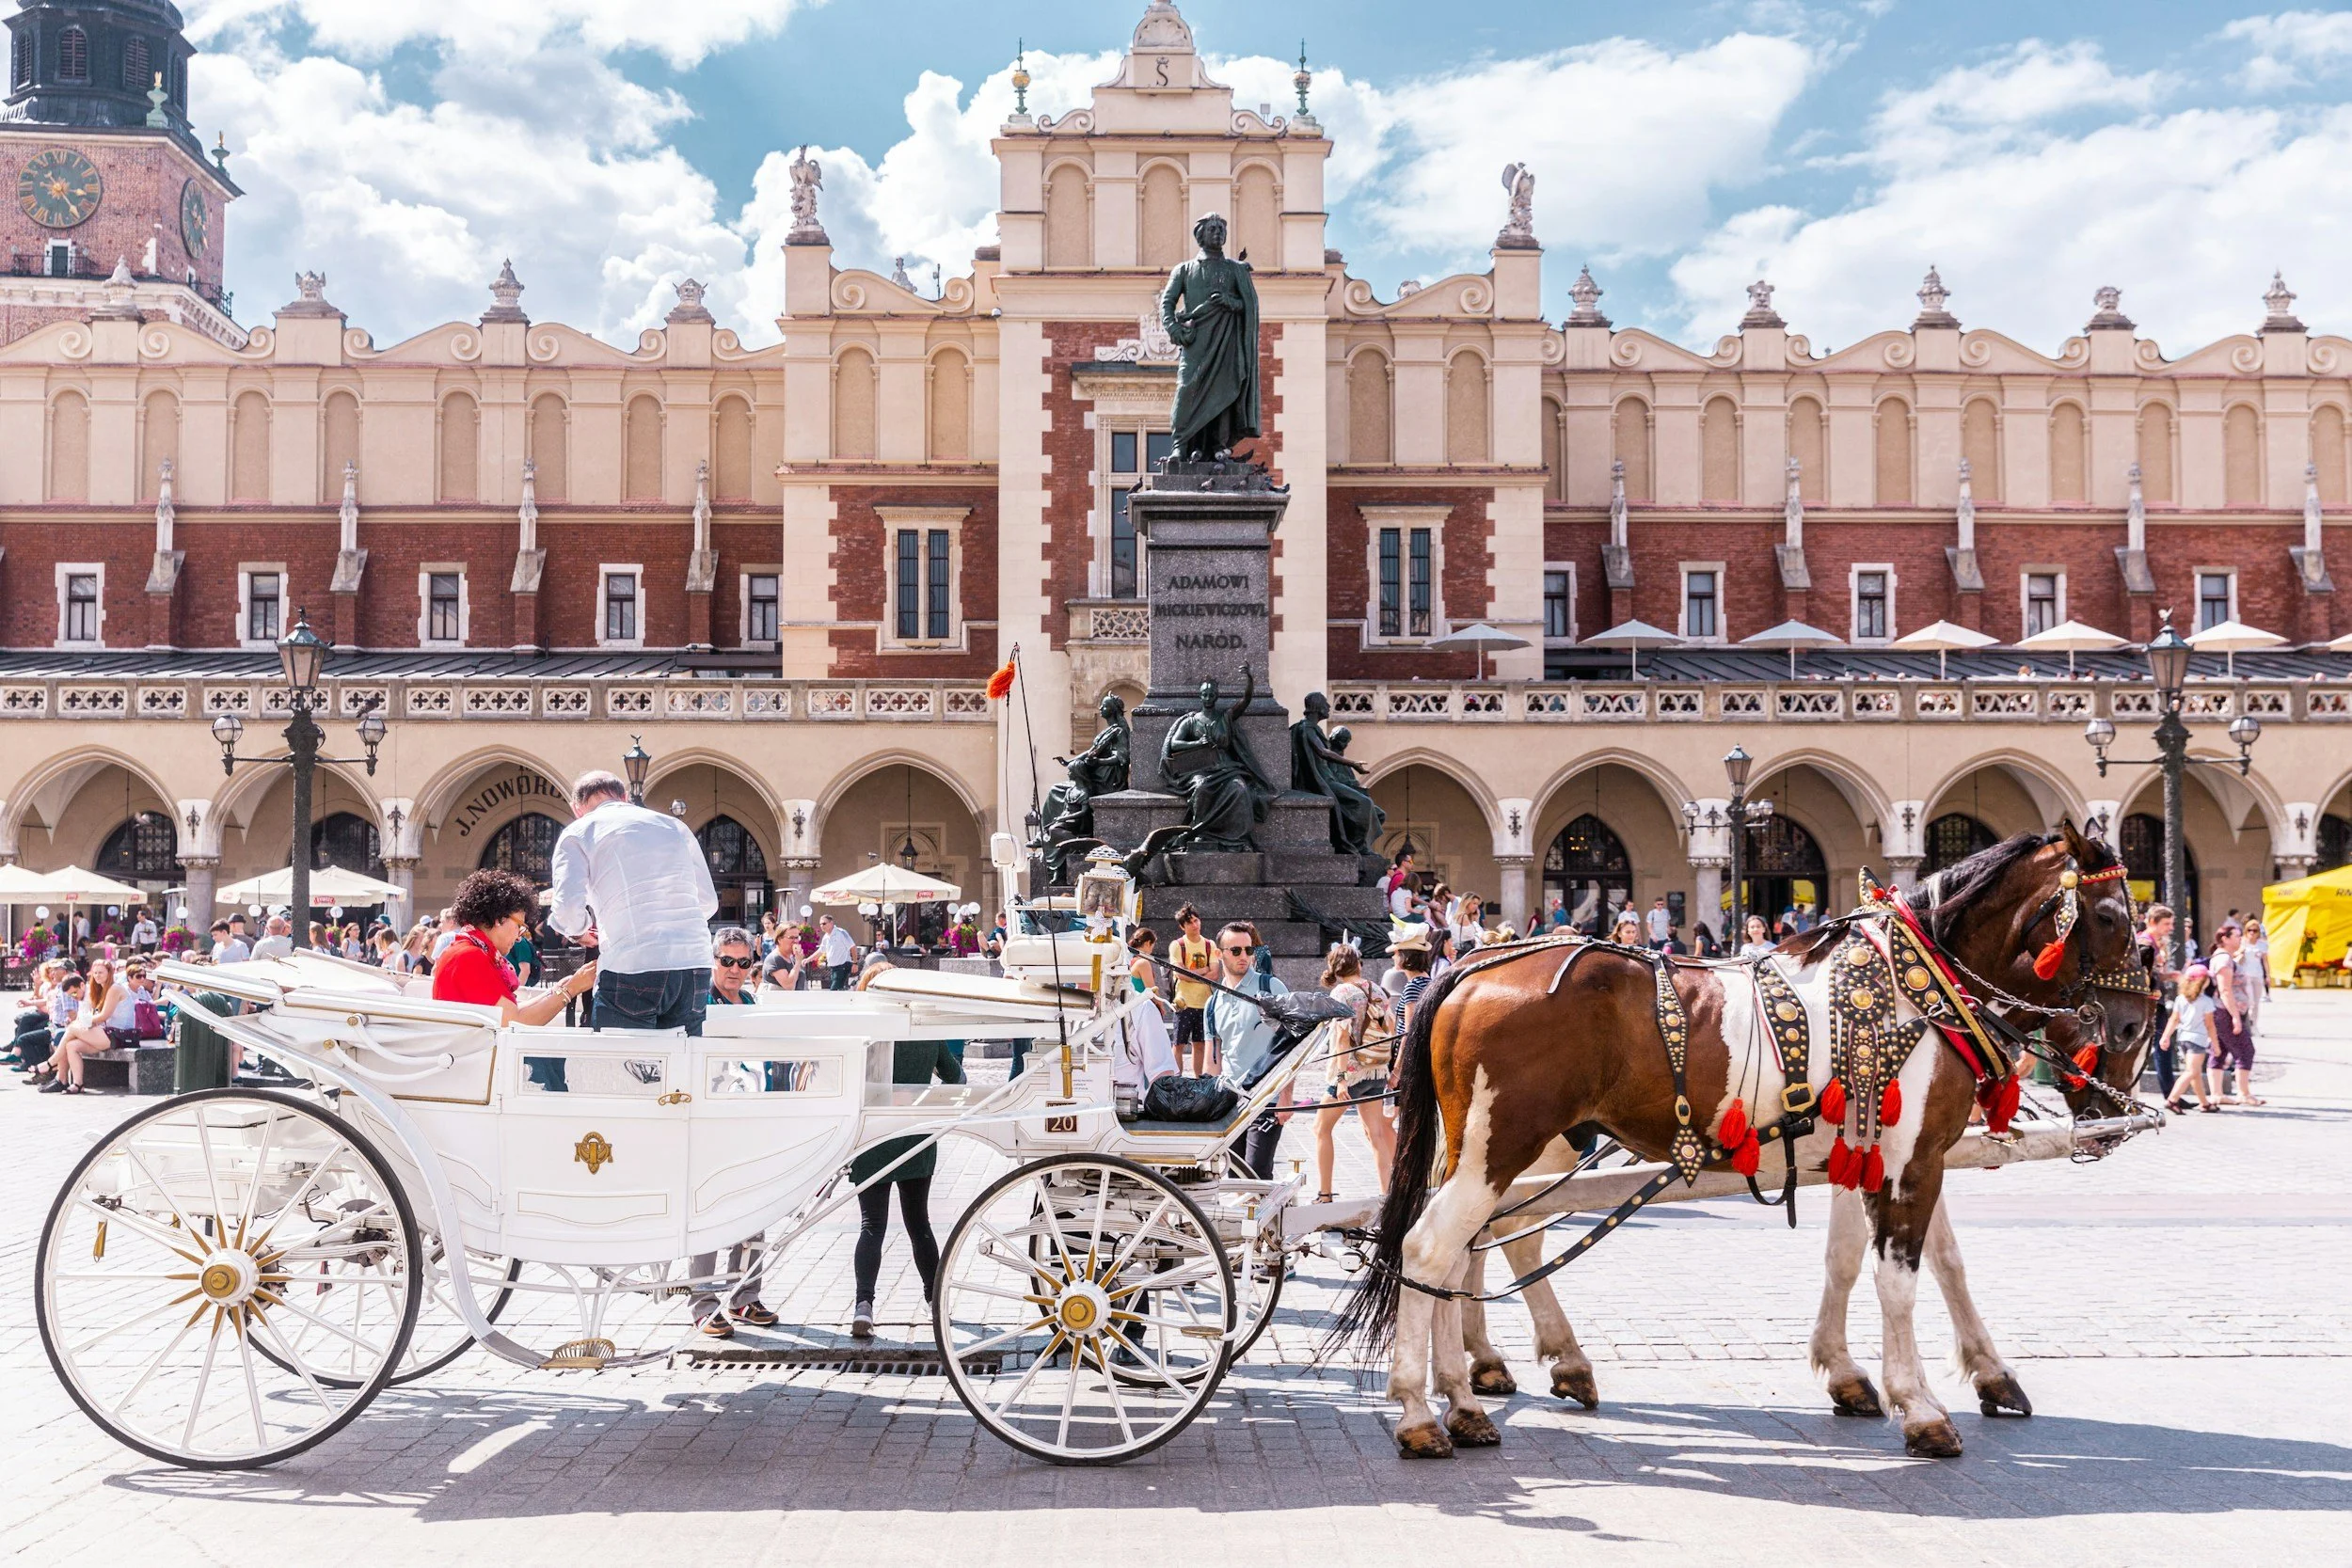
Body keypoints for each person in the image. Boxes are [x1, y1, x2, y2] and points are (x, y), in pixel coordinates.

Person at [548, 768, 719, 1035]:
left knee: (623, 1068)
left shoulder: (579, 831)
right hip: (692, 962)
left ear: (577, 808)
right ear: (625, 796)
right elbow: (707, 901)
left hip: (632, 963)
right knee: (684, 1063)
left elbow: (567, 907)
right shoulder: (674, 826)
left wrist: (579, 932)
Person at [688, 927, 779, 1337]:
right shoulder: (698, 1002)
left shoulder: (750, 1001)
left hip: (749, 1118)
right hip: (709, 1121)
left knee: (754, 1210)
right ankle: (703, 1304)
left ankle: (744, 1296)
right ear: (714, 960)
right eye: (727, 961)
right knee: (709, 1214)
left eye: (743, 963)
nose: (735, 970)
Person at [847, 1030, 963, 1338]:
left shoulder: (868, 1035)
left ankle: (864, 1305)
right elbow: (956, 1079)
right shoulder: (926, 1033)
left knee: (872, 1226)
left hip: (873, 1135)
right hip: (916, 1133)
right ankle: (934, 1300)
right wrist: (925, 1098)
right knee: (919, 1224)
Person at [431, 868, 597, 1026]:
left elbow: (512, 1011)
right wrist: (571, 988)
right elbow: (516, 1021)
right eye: (519, 926)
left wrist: (560, 988)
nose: (519, 936)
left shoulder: (466, 949)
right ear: (499, 919)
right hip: (480, 1054)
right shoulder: (470, 956)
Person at [1205, 922, 1292, 1179]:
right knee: (1233, 1177)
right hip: (1231, 1102)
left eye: (1248, 949)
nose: (1244, 956)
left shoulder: (1270, 988)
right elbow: (1212, 1062)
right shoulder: (1213, 1002)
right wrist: (1208, 1108)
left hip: (1267, 1098)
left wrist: (1286, 1096)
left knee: (1257, 1175)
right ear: (1220, 954)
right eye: (1236, 950)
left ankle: (1266, 1219)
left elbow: (1292, 1044)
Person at [1313, 945, 1397, 1201]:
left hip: (1351, 1073)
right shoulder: (1377, 989)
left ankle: (1325, 1194)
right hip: (1377, 1070)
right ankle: (1387, 1194)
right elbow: (1392, 1027)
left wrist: (1340, 1080)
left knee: (1321, 1129)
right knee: (1377, 1134)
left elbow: (1340, 1036)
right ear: (1358, 965)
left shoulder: (1341, 993)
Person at [2205, 923, 2263, 1106]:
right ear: (2225, 939)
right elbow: (2225, 990)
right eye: (2237, 936)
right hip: (2226, 1011)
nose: (2240, 939)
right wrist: (2235, 1017)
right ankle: (2243, 1093)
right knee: (2245, 1051)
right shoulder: (2223, 960)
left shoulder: (2225, 957)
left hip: (2222, 1011)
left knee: (2219, 1051)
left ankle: (2216, 1094)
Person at [45, 958, 118, 1095]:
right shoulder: (88, 993)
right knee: (71, 1045)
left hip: (116, 1034)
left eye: (100, 973)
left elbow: (99, 1018)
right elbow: (88, 1019)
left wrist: (78, 1024)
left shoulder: (108, 990)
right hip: (101, 1032)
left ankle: (54, 1067)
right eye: (94, 973)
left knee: (68, 1031)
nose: (97, 976)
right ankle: (77, 1084)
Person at [2159, 964, 2221, 1114]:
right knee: (2191, 1072)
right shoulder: (2206, 1002)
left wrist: (2165, 1037)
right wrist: (2216, 1044)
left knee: (2195, 1072)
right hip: (2198, 1040)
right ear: (2202, 982)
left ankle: (2204, 1103)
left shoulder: (2181, 999)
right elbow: (2210, 1025)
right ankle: (2172, 1100)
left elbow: (2174, 1020)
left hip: (2183, 1039)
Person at [1168, 903, 1216, 1075]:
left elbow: (1215, 974)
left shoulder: (1210, 945)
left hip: (1204, 1002)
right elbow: (1179, 973)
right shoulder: (1178, 945)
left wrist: (1192, 974)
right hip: (1184, 1003)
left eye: (1196, 921)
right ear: (1183, 926)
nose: (1195, 925)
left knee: (1200, 1044)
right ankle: (1178, 1079)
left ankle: (1198, 1079)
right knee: (1178, 1044)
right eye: (1190, 923)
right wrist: (1203, 971)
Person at [815, 914, 857, 991]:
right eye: (820, 924)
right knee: (839, 991)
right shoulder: (826, 936)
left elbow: (852, 946)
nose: (822, 926)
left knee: (834, 991)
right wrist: (808, 959)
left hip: (842, 966)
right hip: (834, 968)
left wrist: (855, 963)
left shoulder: (841, 933)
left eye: (824, 923)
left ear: (831, 923)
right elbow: (821, 950)